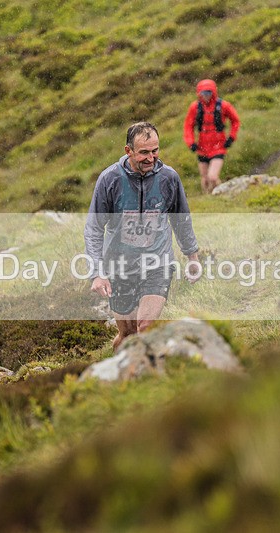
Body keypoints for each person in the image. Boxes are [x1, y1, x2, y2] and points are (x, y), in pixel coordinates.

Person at [85, 122, 201, 350]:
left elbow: (181, 219)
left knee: (145, 326)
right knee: (128, 334)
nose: (151, 158)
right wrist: (97, 273)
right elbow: (94, 229)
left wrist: (193, 257)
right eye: (144, 152)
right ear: (128, 151)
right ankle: (118, 370)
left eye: (155, 151)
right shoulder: (110, 180)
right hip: (119, 265)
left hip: (158, 263)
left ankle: (148, 379)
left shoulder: (169, 178)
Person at [183, 79, 240, 194]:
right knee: (205, 179)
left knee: (212, 177)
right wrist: (191, 143)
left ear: (213, 92)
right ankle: (210, 200)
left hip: (218, 147)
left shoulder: (223, 105)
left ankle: (223, 194)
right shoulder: (195, 107)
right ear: (199, 94)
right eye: (203, 93)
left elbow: (235, 121)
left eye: (208, 93)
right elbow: (188, 126)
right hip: (202, 148)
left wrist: (231, 137)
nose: (206, 96)